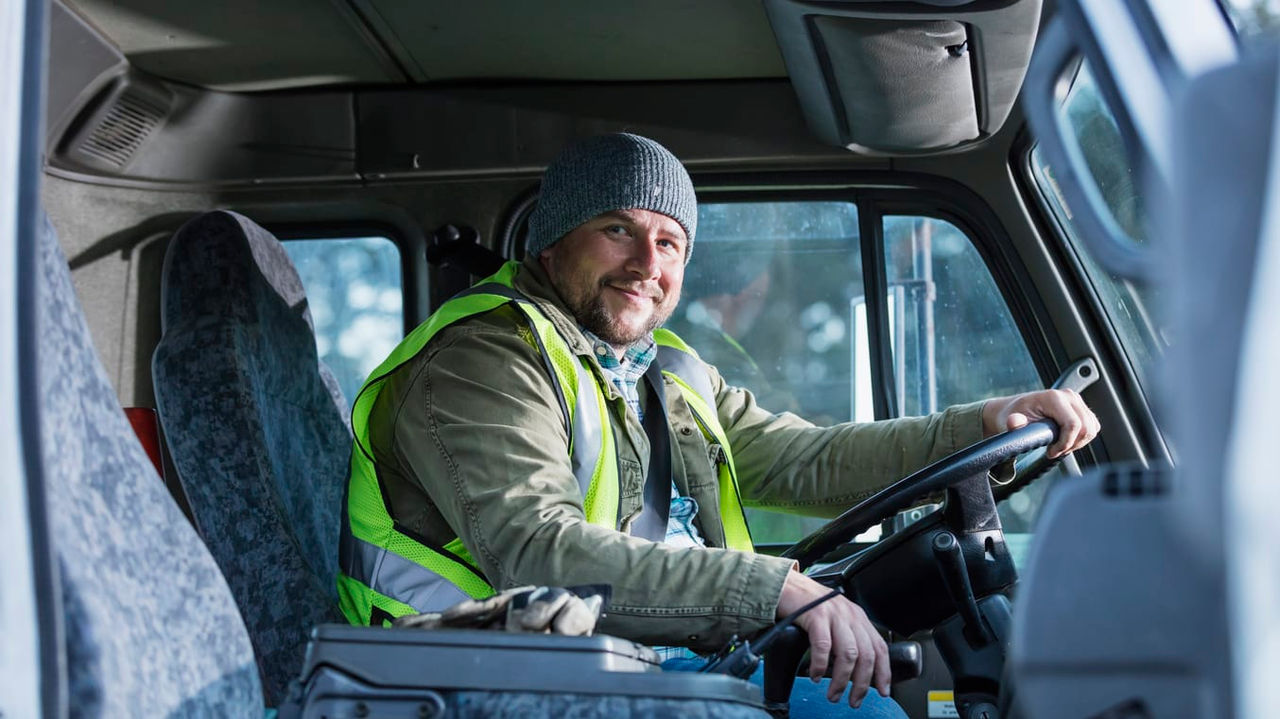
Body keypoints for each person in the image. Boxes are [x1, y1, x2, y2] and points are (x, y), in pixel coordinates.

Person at [337, 133, 1099, 714]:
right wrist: (773, 589)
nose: (647, 262)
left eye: (669, 242)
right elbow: (539, 552)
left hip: (638, 666)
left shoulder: (663, 367)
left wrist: (987, 424)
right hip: (488, 681)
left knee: (858, 701)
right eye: (617, 229)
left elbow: (806, 459)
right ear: (551, 238)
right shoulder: (481, 359)